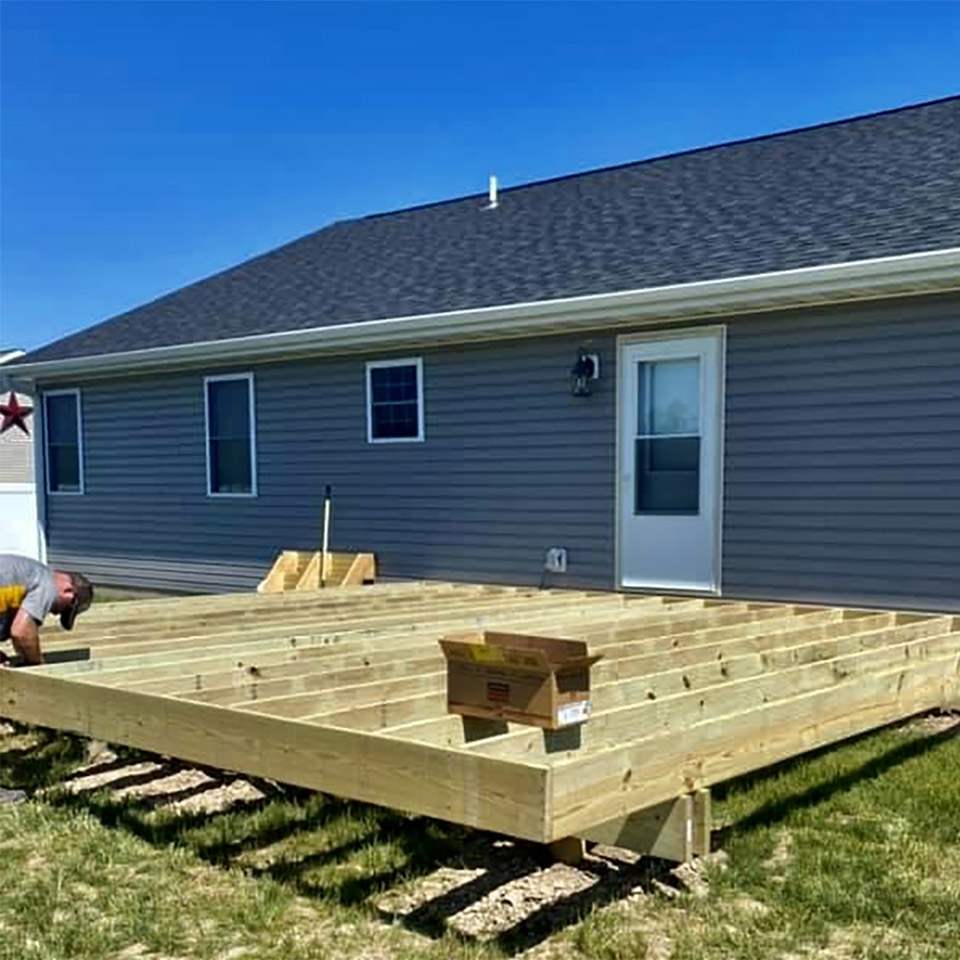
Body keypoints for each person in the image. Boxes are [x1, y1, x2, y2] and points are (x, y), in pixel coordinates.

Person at [0, 553, 94, 668]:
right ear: (69, 591)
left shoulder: (32, 574)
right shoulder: (46, 585)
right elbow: (21, 632)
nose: (55, 613)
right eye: (63, 609)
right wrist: (38, 664)